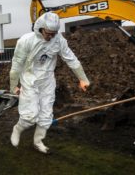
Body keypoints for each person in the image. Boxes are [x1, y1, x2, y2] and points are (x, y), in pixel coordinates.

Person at [9, 12, 90, 154]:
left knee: (46, 115)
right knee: (30, 116)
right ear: (40, 28)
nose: (51, 36)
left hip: (47, 80)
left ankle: (38, 141)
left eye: (54, 33)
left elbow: (71, 59)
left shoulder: (58, 40)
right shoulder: (25, 41)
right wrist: (13, 85)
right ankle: (17, 129)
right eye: (48, 33)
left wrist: (82, 78)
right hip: (30, 79)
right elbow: (16, 65)